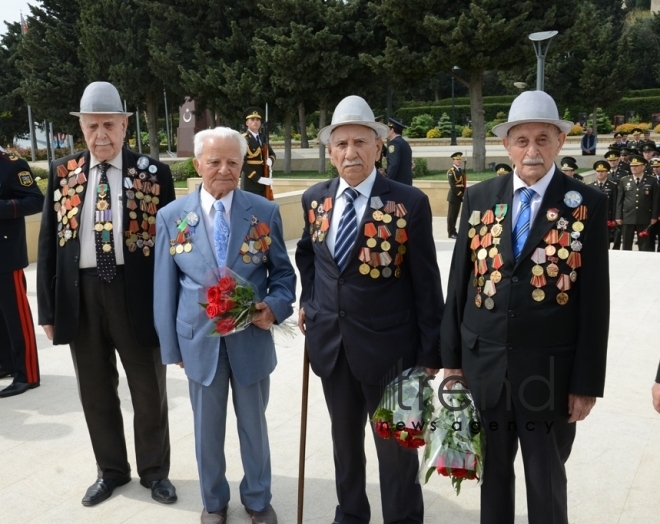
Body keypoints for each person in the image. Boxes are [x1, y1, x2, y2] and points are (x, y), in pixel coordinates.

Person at [441, 90, 610, 524]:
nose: (531, 150)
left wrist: (586, 382)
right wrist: (452, 363)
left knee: (546, 482)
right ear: (507, 145)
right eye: (522, 140)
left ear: (558, 141)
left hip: (549, 376)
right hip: (486, 368)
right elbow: (459, 283)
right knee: (493, 478)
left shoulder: (585, 204)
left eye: (542, 138)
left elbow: (595, 302)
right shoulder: (480, 198)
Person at [295, 95, 443, 524]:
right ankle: (352, 515)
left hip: (392, 354)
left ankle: (402, 519)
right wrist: (310, 300)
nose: (350, 152)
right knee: (344, 448)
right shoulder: (315, 200)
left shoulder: (408, 202)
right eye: (341, 144)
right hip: (333, 350)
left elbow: (426, 284)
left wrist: (430, 354)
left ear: (379, 147)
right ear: (330, 152)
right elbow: (308, 255)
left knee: (397, 454)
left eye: (360, 142)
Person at [36, 82, 177, 507]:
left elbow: (172, 248)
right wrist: (47, 308)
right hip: (81, 296)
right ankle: (111, 470)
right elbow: (47, 247)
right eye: (93, 125)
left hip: (136, 295)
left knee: (148, 389)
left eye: (110, 125)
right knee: (95, 391)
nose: (102, 135)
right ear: (81, 127)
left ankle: (155, 472)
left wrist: (169, 306)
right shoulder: (63, 174)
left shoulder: (153, 174)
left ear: (124, 125)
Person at [154, 126, 295, 524]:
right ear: (197, 164)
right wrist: (172, 348)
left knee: (255, 429)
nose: (224, 170)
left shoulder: (262, 211)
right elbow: (165, 287)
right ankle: (213, 502)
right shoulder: (172, 216)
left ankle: (257, 499)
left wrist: (274, 307)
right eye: (214, 161)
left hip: (251, 340)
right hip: (198, 344)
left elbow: (283, 275)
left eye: (233, 162)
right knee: (207, 433)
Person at [0, 148, 43, 397]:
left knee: (17, 317)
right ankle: (6, 364)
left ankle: (28, 374)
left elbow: (35, 200)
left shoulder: (12, 164)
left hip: (6, 254)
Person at [615, 155, 658, 251]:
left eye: (636, 166)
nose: (633, 168)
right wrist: (618, 216)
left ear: (643, 167)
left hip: (644, 215)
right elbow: (620, 199)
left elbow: (655, 200)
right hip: (628, 216)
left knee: (644, 245)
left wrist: (653, 216)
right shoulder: (624, 180)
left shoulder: (652, 180)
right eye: (631, 166)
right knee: (626, 244)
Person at [240, 107, 276, 199]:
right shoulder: (243, 139)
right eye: (252, 119)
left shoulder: (262, 138)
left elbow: (272, 154)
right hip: (250, 182)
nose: (255, 122)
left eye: (258, 120)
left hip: (264, 181)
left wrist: (271, 160)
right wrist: (258, 178)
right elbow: (242, 163)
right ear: (247, 123)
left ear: (260, 123)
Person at [590, 160, 618, 247]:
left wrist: (614, 218)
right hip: (594, 218)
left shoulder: (613, 186)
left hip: (607, 218)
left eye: (602, 171)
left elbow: (615, 203)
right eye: (598, 171)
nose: (600, 174)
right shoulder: (591, 186)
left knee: (606, 242)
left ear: (607, 172)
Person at [385, 118, 413, 185]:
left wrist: (387, 181)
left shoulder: (394, 143)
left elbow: (394, 164)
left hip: (397, 183)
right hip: (406, 183)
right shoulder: (404, 143)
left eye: (387, 129)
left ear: (392, 130)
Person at [447, 151, 466, 239]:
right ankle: (451, 232)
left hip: (459, 196)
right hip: (454, 196)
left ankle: (454, 231)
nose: (458, 161)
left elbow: (462, 183)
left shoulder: (460, 170)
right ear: (453, 161)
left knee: (455, 215)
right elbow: (453, 185)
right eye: (457, 159)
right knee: (452, 216)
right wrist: (460, 194)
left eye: (459, 159)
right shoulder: (451, 171)